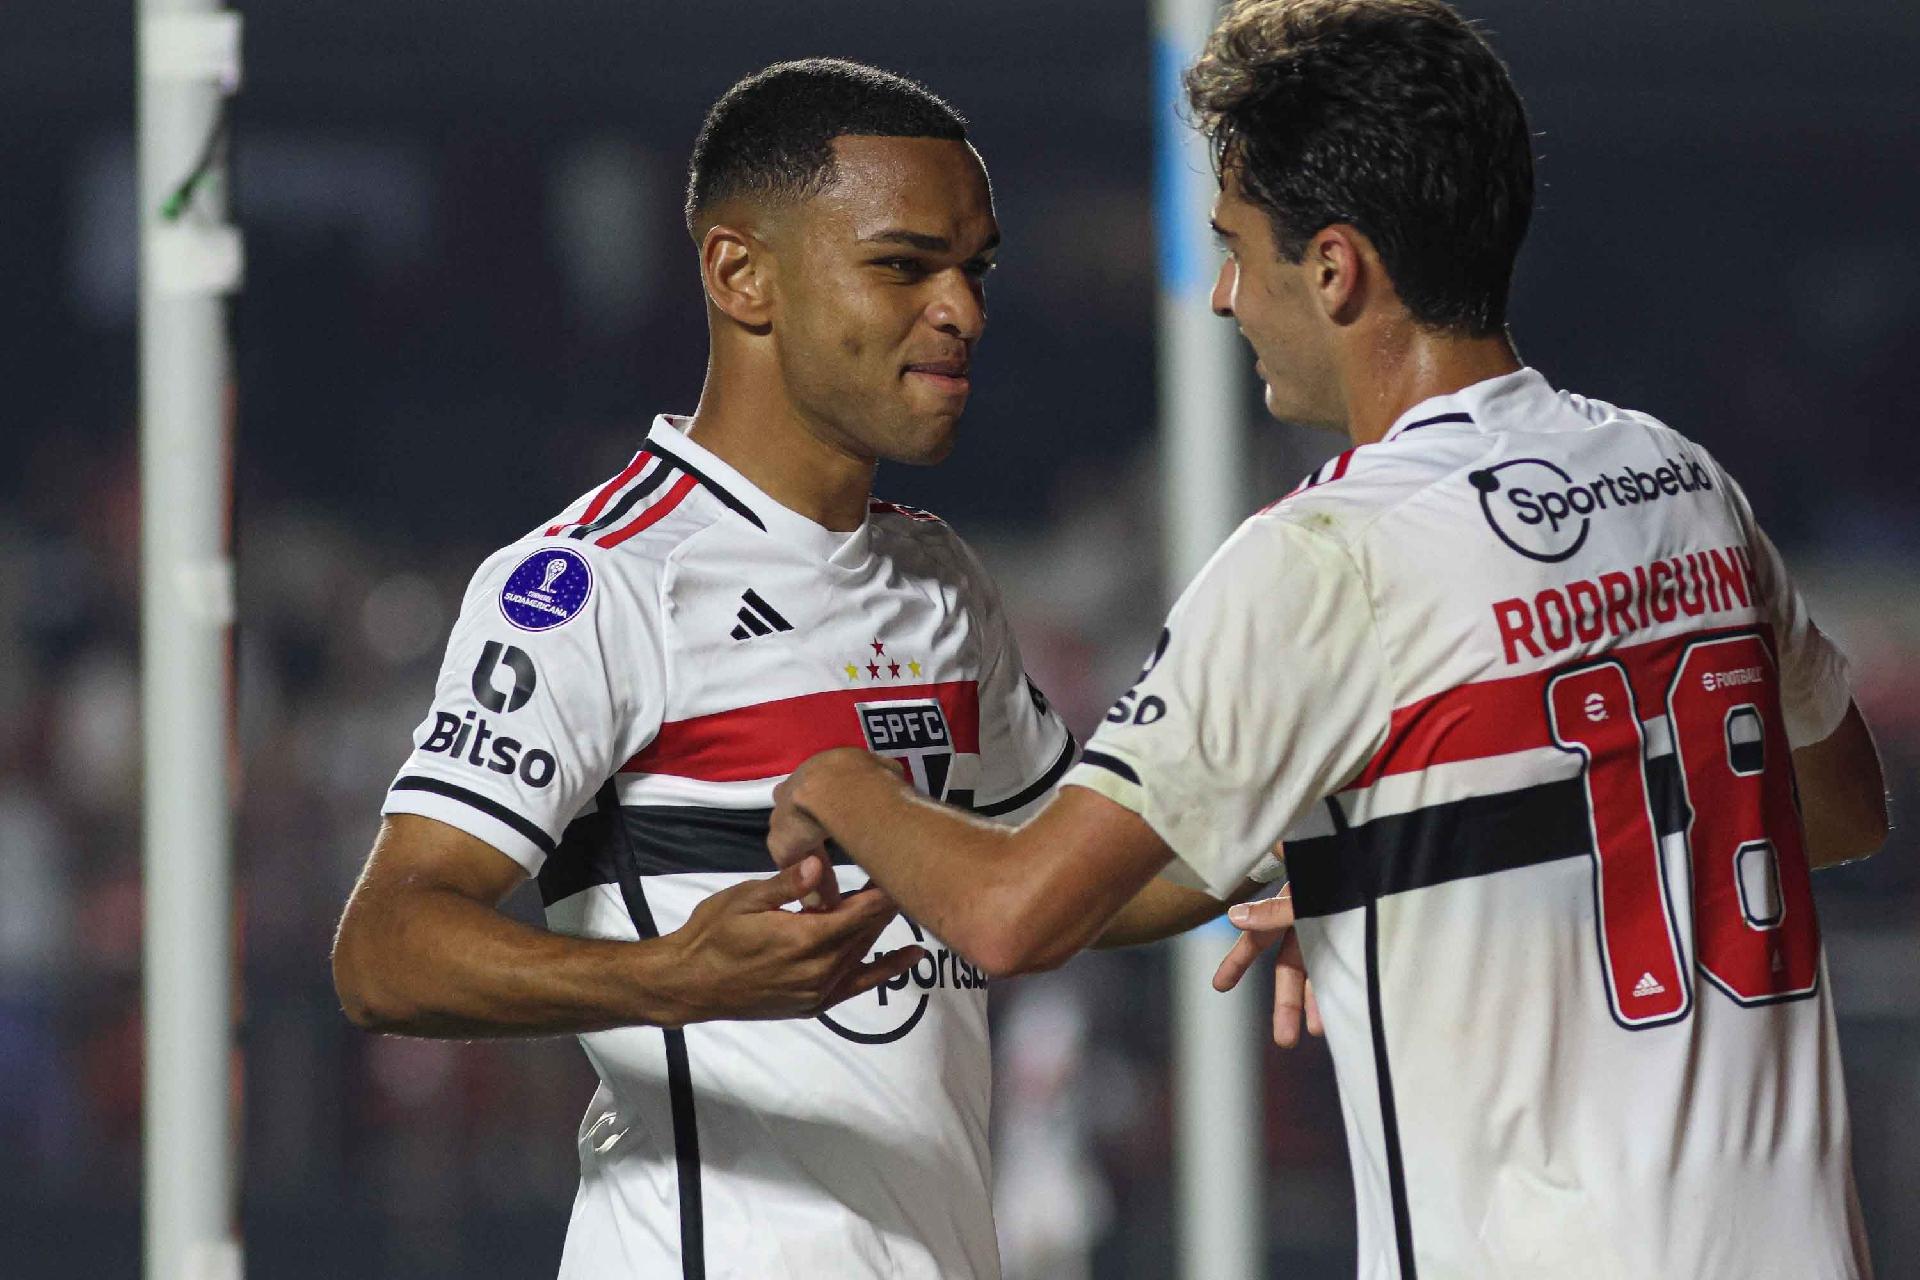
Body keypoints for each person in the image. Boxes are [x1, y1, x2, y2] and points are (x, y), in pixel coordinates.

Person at [766, 4, 1891, 1277]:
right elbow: (1838, 808)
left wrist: (842, 785)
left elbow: (1017, 914)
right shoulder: (1676, 478)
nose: (1230, 296)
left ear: (1339, 268)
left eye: (1239, 251)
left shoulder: (1325, 558)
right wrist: (1401, 869)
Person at [332, 58, 1235, 1280]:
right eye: (906, 265)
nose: (962, 308)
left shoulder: (941, 578)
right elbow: (384, 946)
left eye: (976, 268)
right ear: (740, 274)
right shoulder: (594, 582)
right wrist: (673, 975)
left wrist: (1289, 850)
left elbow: (1051, 884)